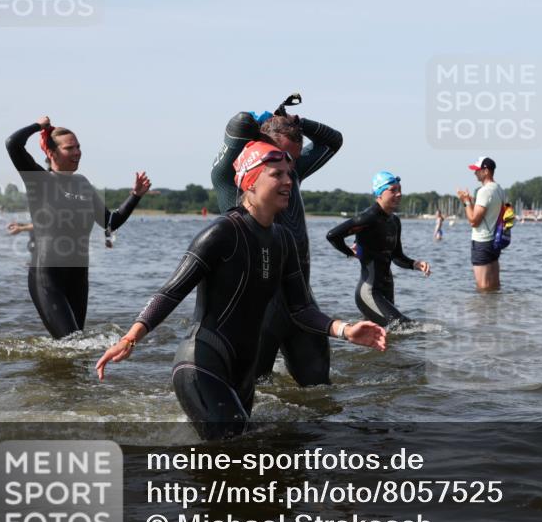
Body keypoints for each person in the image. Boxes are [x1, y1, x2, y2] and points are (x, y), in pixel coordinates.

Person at [97, 142, 385, 440]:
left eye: (289, 174)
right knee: (234, 449)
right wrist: (130, 339)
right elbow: (171, 292)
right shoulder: (222, 233)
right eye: (277, 174)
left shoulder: (284, 240)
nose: (288, 181)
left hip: (243, 375)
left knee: (241, 454)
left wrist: (345, 331)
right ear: (250, 181)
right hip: (202, 364)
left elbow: (300, 309)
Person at [210, 103, 342, 386]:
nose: (288, 170)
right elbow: (238, 123)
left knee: (319, 391)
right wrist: (265, 121)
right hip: (256, 310)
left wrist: (298, 121)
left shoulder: (290, 173)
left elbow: (334, 140)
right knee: (252, 394)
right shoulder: (229, 178)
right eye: (280, 158)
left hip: (300, 303)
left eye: (291, 161)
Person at [6, 116, 151, 338]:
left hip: (78, 278)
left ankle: (54, 371)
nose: (77, 152)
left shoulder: (82, 184)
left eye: (78, 147)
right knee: (72, 341)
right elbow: (13, 144)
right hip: (47, 277)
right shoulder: (40, 180)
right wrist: (39, 126)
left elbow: (109, 223)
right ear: (51, 153)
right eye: (69, 148)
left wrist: (135, 196)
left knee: (76, 345)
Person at [326, 172, 430, 326]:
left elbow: (396, 256)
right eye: (393, 190)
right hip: (369, 292)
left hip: (387, 289)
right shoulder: (368, 218)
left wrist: (415, 264)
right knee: (405, 326)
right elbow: (333, 235)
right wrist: (349, 252)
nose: (399, 194)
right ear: (379, 194)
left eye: (400, 189)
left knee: (386, 339)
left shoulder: (394, 221)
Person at [456, 156, 507, 291]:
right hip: (495, 241)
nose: (475, 173)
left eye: (477, 170)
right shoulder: (499, 189)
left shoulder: (484, 191)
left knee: (483, 287)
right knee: (495, 285)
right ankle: (494, 311)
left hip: (482, 242)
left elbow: (474, 221)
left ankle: (484, 311)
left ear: (486, 171)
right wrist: (472, 203)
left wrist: (466, 202)